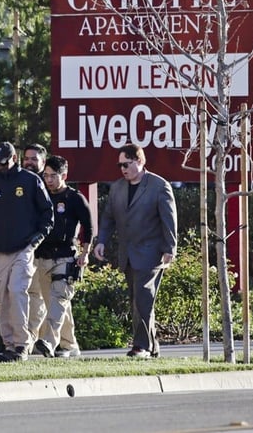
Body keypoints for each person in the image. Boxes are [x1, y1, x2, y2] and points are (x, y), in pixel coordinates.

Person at [94, 143, 178, 358]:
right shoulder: (117, 188)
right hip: (128, 253)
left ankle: (141, 346)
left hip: (152, 253)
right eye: (120, 164)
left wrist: (170, 247)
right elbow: (108, 218)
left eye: (127, 164)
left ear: (140, 161)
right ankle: (153, 345)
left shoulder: (159, 186)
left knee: (143, 298)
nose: (123, 168)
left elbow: (169, 220)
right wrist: (101, 241)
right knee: (137, 299)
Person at [0, 142, 54, 362]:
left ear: (14, 158)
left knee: (17, 291)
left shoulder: (31, 181)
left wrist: (35, 240)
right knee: (2, 298)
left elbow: (47, 213)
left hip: (23, 248)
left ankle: (22, 344)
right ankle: (9, 345)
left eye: (3, 162)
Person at [36, 155, 92, 358]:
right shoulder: (42, 196)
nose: (48, 180)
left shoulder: (75, 198)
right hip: (43, 257)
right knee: (55, 304)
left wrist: (85, 253)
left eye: (53, 176)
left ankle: (49, 343)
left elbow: (88, 226)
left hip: (66, 257)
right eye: (46, 175)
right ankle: (70, 345)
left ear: (64, 175)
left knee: (59, 299)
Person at [20, 143, 54, 356]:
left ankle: (31, 338)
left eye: (34, 159)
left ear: (43, 162)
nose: (29, 162)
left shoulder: (48, 184)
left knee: (37, 295)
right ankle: (46, 341)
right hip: (20, 248)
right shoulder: (19, 181)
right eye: (27, 158)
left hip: (44, 249)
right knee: (26, 294)